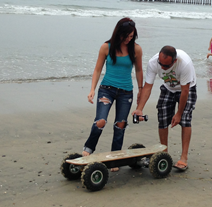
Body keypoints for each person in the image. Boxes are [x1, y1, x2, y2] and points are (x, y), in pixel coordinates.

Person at [82, 18, 143, 172]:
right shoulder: (106, 47)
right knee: (101, 121)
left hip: (126, 92)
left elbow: (139, 70)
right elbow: (97, 69)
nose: (129, 40)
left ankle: (115, 156)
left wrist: (141, 89)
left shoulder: (136, 49)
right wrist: (92, 89)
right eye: (126, 36)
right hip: (106, 89)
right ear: (119, 33)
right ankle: (88, 148)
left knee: (120, 124)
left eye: (131, 37)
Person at [133, 46, 197, 171]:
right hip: (168, 88)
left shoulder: (184, 63)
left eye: (166, 66)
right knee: (162, 119)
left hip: (187, 89)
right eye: (160, 64)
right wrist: (140, 108)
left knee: (185, 119)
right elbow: (147, 87)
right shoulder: (153, 62)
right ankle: (165, 153)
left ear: (174, 61)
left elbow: (185, 91)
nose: (162, 68)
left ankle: (184, 157)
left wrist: (178, 113)